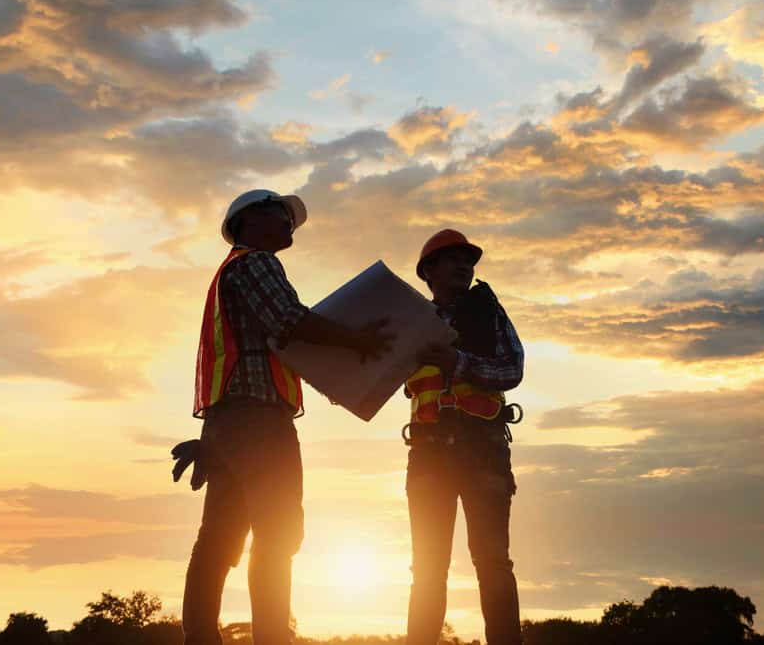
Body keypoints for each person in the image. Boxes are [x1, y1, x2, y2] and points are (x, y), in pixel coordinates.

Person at [181, 189, 393, 645]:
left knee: (218, 541)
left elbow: (271, 348)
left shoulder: (229, 274)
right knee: (277, 536)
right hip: (258, 426)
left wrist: (213, 435)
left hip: (229, 425)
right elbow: (291, 321)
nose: (289, 226)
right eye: (282, 216)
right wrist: (358, 341)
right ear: (252, 218)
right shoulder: (255, 263)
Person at [403, 229, 525, 645]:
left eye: (468, 259)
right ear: (428, 271)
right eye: (452, 258)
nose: (465, 265)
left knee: (492, 563)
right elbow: (377, 376)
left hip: (483, 452)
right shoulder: (409, 322)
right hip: (428, 455)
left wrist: (460, 362)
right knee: (428, 569)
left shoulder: (487, 310)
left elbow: (513, 368)